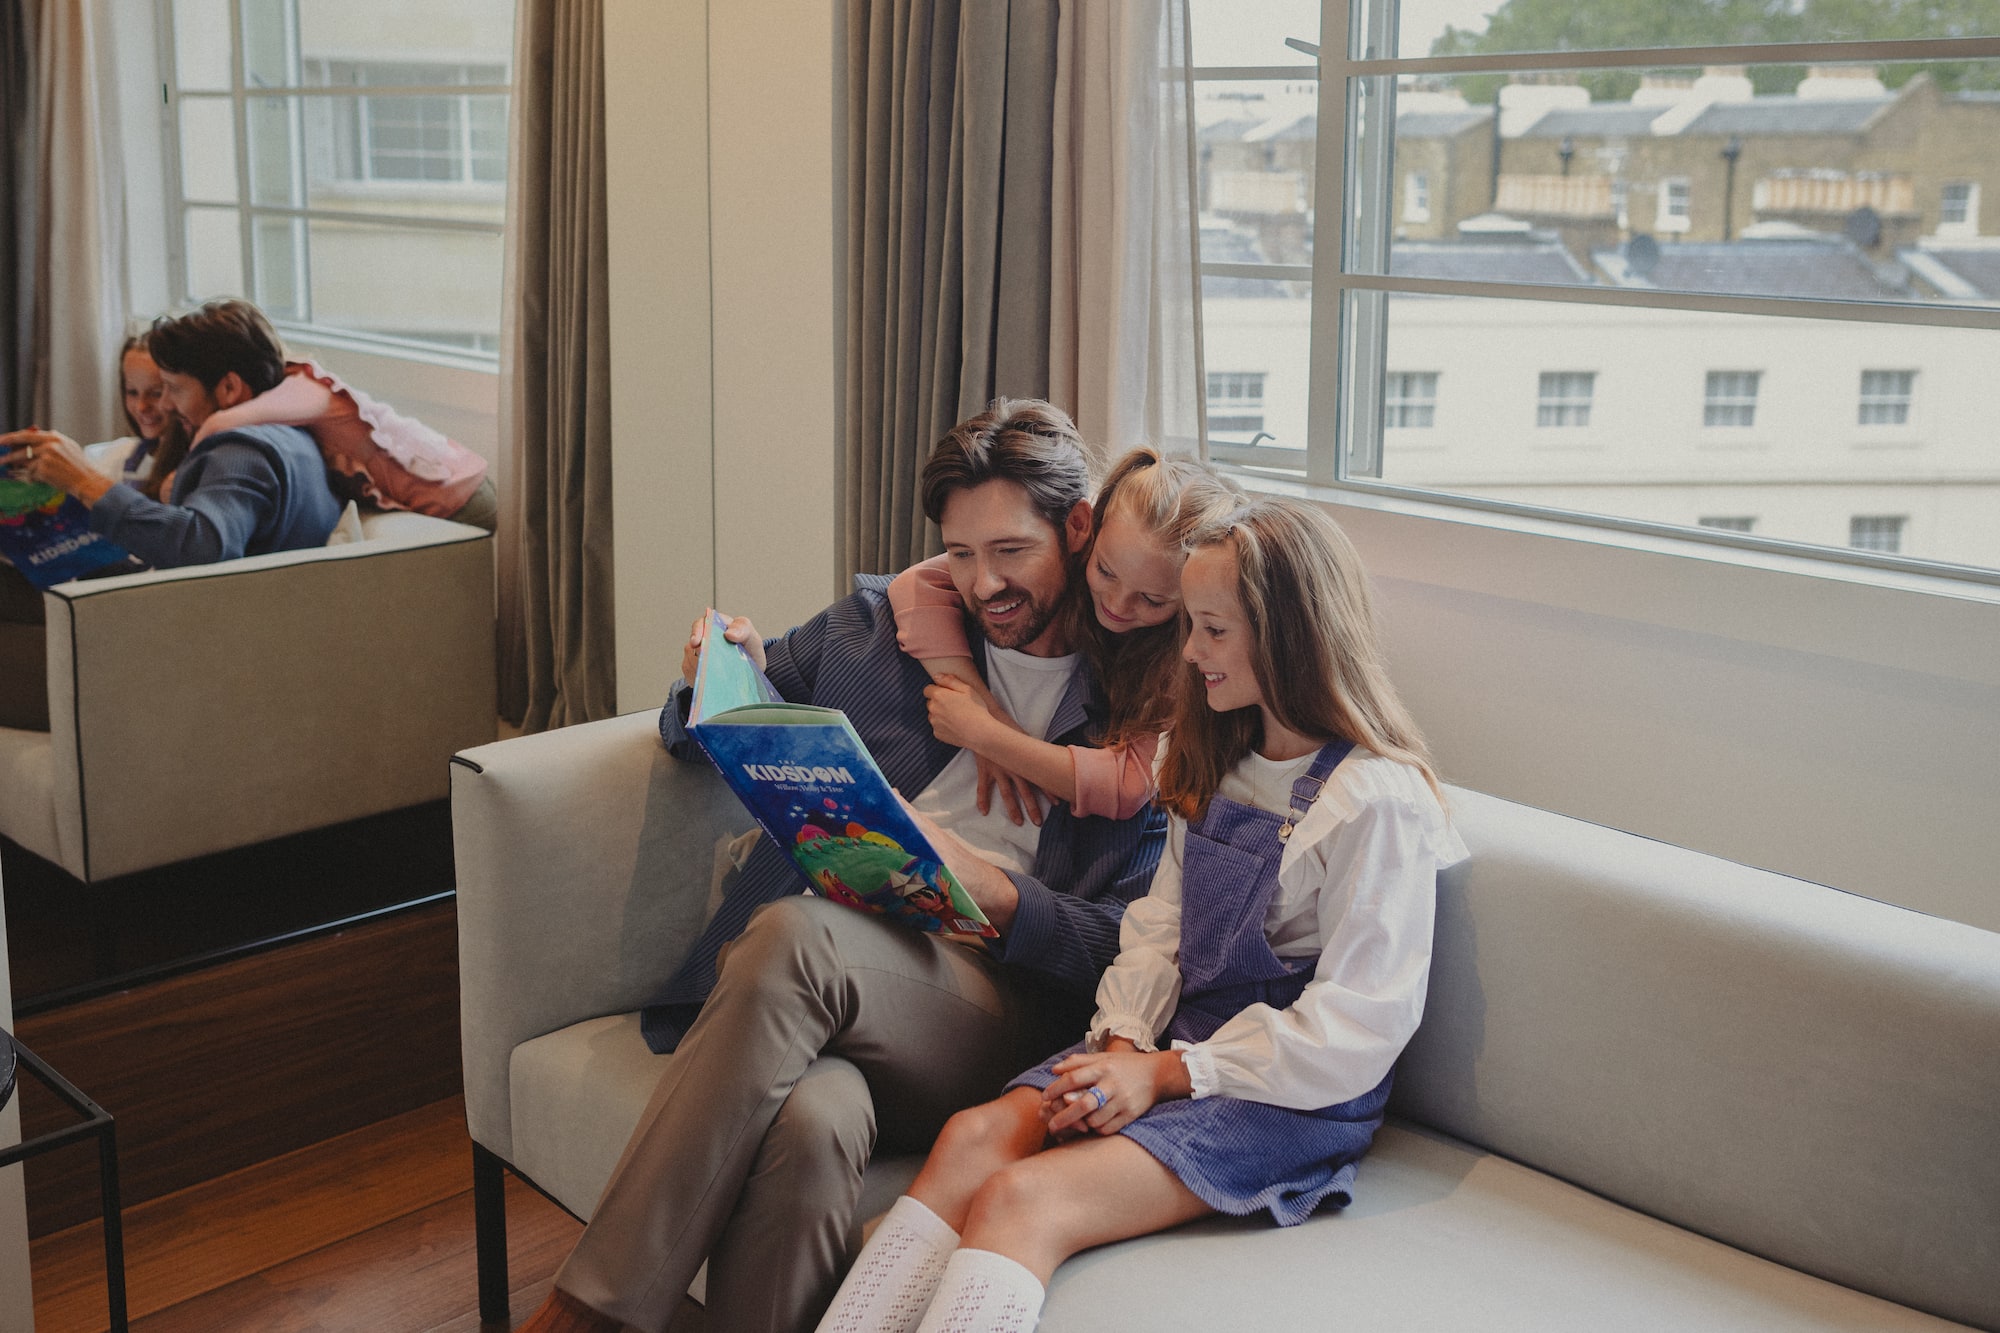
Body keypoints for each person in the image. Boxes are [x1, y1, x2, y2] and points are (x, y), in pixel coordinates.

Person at [518, 399, 1168, 1333]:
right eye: (960, 553)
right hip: (830, 996)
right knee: (812, 1121)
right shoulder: (879, 630)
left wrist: (999, 894)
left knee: (793, 935)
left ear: (1076, 529)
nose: (985, 583)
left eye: (1011, 551)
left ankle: (583, 1316)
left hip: (995, 1004)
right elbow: (701, 728)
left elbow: (1125, 943)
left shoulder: (1141, 709)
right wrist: (721, 667)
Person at [815, 496, 1468, 1333]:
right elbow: (1160, 927)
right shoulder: (1208, 749)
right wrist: (1121, 1041)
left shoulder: (1376, 802)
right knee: (972, 1138)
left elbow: (1359, 1030)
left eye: (1213, 630)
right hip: (1169, 1039)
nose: (1189, 651)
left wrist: (1161, 1075)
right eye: (1189, 624)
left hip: (1287, 1087)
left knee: (1022, 1195)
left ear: (1291, 635)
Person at [889, 447, 1237, 826]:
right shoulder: (1071, 558)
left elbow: (1128, 786)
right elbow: (915, 583)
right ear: (1089, 530)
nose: (1118, 605)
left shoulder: (1186, 658)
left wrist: (987, 736)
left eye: (1152, 599)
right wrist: (981, 703)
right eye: (1105, 571)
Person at [0, 299, 341, 570]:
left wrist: (84, 480)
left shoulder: (242, 449)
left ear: (229, 387)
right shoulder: (293, 436)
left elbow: (201, 547)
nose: (165, 404)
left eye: (175, 389)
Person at [190, 352, 496, 531]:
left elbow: (219, 424)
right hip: (454, 485)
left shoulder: (303, 387)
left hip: (458, 495)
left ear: (230, 383)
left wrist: (184, 471)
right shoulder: (295, 388)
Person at [85, 333, 191, 500]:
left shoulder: (189, 468)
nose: (142, 406)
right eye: (132, 392)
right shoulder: (123, 456)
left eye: (156, 393)